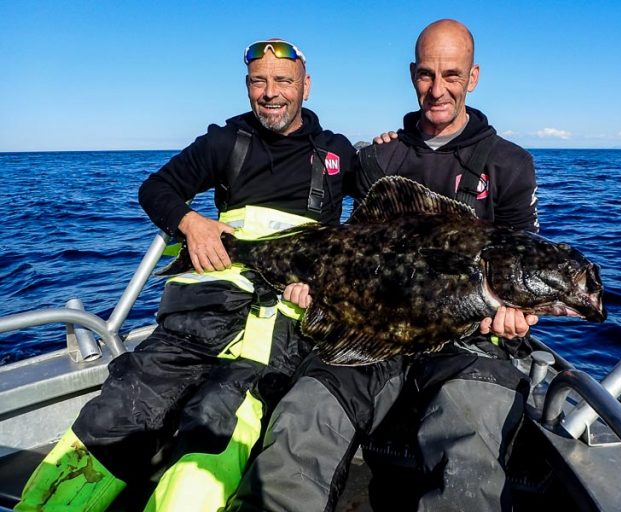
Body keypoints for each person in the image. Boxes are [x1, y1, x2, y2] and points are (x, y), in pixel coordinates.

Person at [14, 39, 357, 512]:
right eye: (259, 81)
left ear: (306, 87)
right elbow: (155, 188)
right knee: (120, 408)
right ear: (247, 86)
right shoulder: (225, 142)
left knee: (217, 419)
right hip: (196, 314)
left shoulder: (337, 154)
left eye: (283, 81)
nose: (271, 93)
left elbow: (385, 220)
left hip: (276, 323)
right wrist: (190, 221)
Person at [227, 19, 540, 512]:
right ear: (412, 73)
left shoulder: (511, 164)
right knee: (299, 422)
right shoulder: (379, 156)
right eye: (426, 75)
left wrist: (522, 314)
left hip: (468, 341)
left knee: (471, 450)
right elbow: (331, 221)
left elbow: (525, 262)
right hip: (371, 334)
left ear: (474, 77)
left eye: (452, 76)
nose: (437, 91)